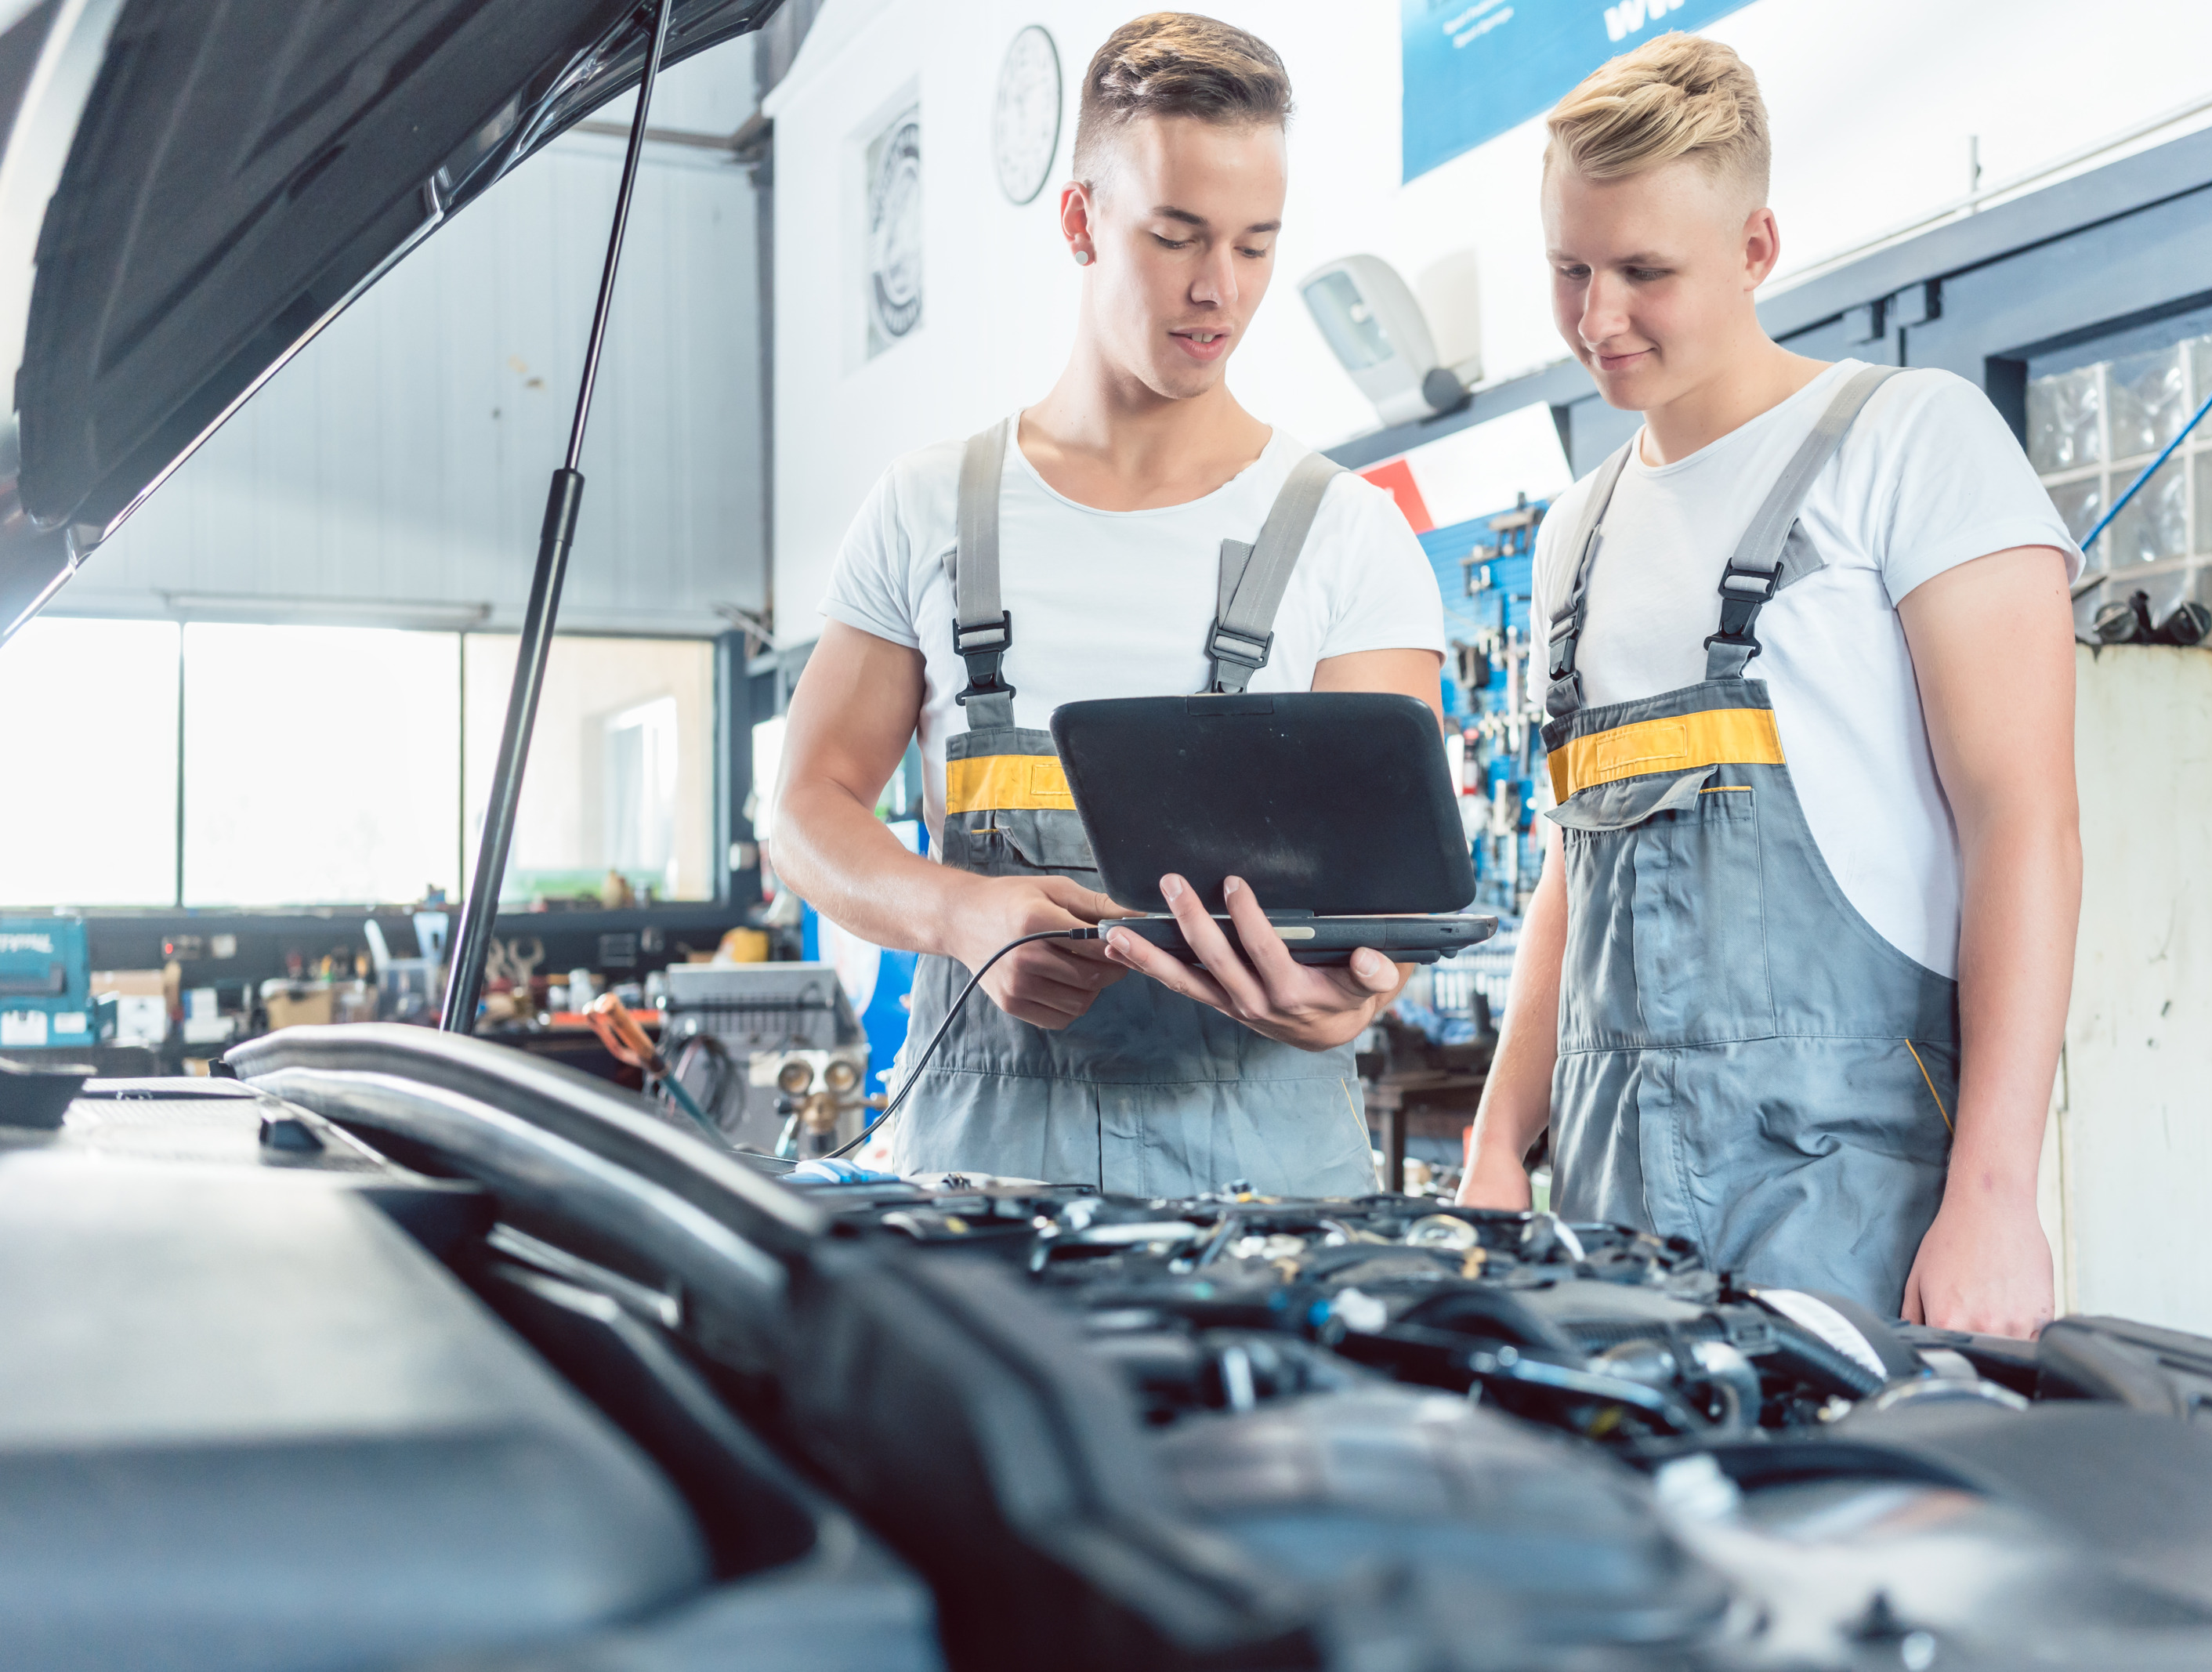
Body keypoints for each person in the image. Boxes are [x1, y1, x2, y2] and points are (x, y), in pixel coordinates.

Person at [1454, 33, 2083, 1339]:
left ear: (1754, 249)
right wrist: (1497, 1139)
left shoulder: (1913, 443)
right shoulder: (1576, 533)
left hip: (1857, 1196)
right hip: (1609, 1203)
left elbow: (2023, 822)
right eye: (1570, 268)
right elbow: (1576, 864)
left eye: (1645, 272)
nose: (1598, 317)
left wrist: (1997, 1196)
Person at [773, 13, 1443, 1196]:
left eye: (1253, 245)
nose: (1216, 291)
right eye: (1176, 236)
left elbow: (1390, 907)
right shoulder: (931, 509)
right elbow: (804, 813)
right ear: (1081, 220)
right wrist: (958, 915)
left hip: (1269, 1188)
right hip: (984, 1178)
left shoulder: (1350, 536)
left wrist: (1341, 1003)